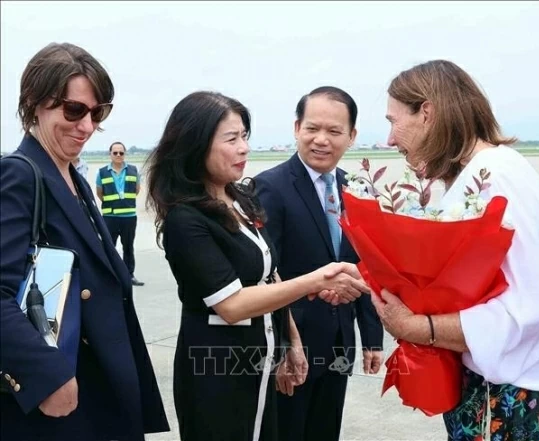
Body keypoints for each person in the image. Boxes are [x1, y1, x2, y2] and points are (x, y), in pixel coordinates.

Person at [144, 90, 370, 441]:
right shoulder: (186, 219)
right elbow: (232, 305)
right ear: (196, 144)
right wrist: (315, 280)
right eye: (232, 139)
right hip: (218, 368)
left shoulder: (239, 198)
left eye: (245, 136)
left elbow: (269, 273)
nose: (244, 148)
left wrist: (291, 341)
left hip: (262, 360)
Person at [373, 60, 539, 441]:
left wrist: (417, 327)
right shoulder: (477, 174)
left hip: (515, 387)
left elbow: (524, 309)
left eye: (393, 120)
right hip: (501, 381)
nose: (389, 139)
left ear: (428, 114)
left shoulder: (496, 176)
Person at [0, 43, 169, 440]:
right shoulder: (19, 176)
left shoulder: (73, 178)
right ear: (33, 103)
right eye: (73, 110)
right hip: (62, 399)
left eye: (98, 113)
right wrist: (46, 375)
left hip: (101, 383)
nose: (87, 125)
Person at [254, 86, 384, 441]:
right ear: (297, 128)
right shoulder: (270, 187)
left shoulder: (354, 188)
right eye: (312, 128)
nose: (321, 140)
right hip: (293, 348)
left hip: (339, 341)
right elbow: (264, 274)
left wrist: (372, 337)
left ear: (352, 136)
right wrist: (282, 347)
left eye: (334, 131)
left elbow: (364, 266)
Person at [96, 141, 145, 286]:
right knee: (109, 247)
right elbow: (100, 193)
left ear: (125, 154)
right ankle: (109, 275)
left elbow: (136, 190)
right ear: (110, 154)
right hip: (110, 216)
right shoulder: (102, 172)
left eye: (121, 153)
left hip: (128, 216)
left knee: (128, 247)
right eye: (115, 152)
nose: (118, 155)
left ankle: (129, 275)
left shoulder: (133, 170)